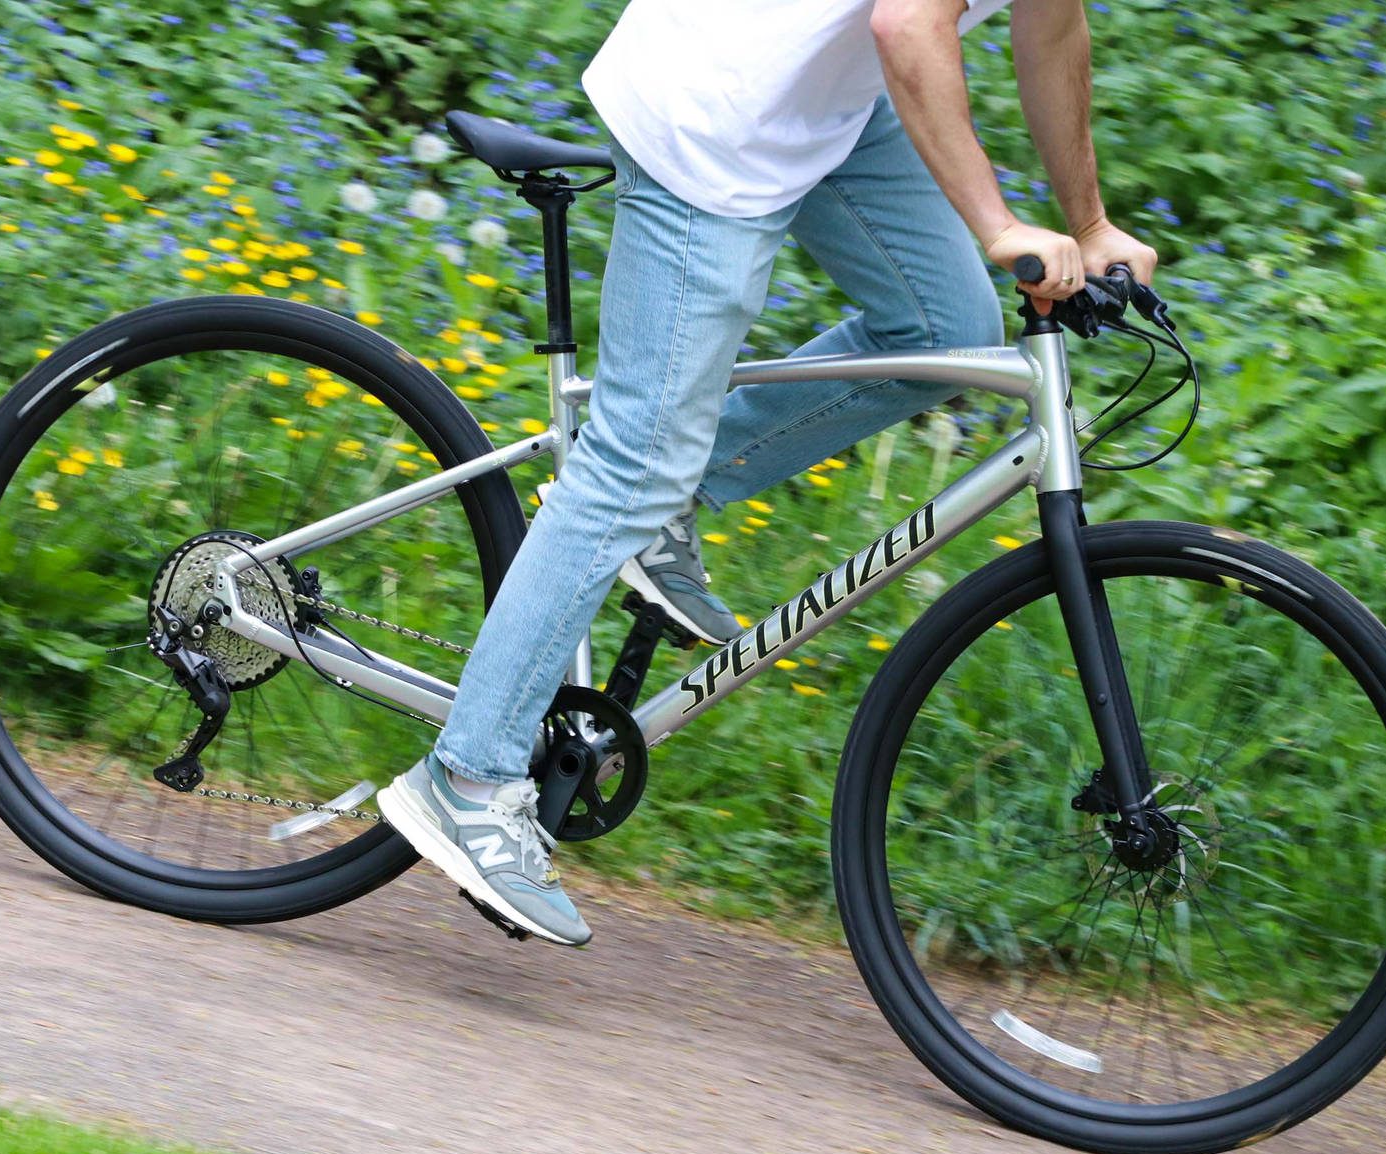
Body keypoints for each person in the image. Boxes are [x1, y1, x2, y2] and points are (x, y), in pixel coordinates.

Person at [378, 0, 1159, 946]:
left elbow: (1052, 25)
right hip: (715, 112)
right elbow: (910, 25)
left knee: (943, 331)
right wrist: (997, 222)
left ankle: (657, 505)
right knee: (632, 463)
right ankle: (466, 776)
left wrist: (1092, 220)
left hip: (822, 103)